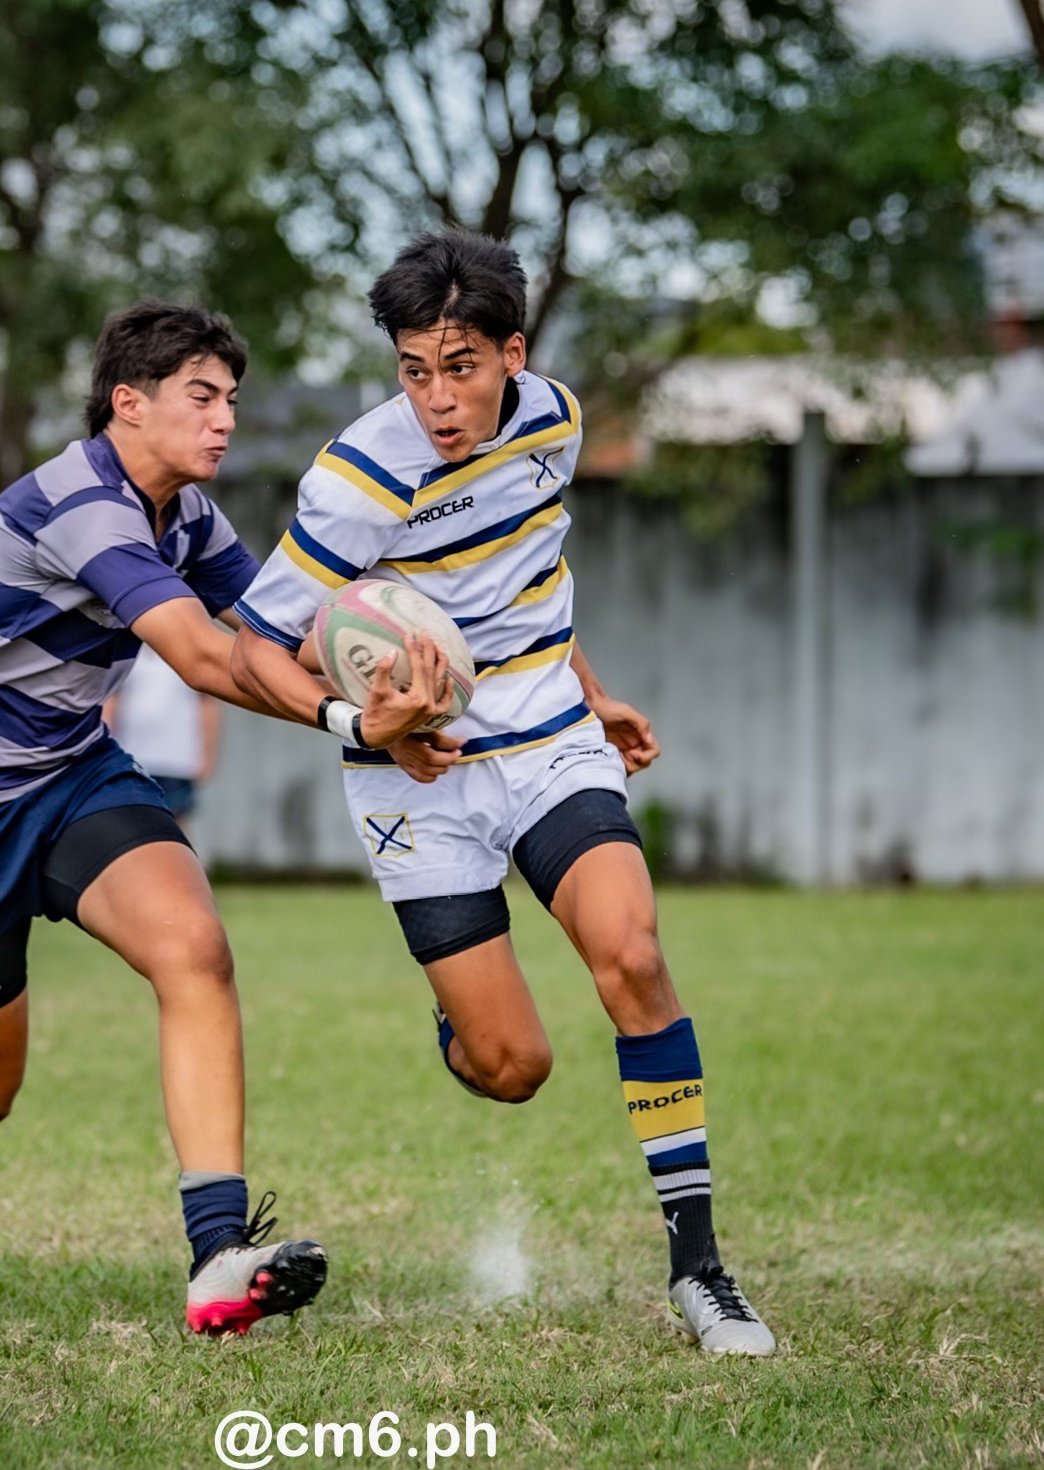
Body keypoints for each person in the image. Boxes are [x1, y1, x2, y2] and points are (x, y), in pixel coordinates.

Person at [0, 301, 453, 1336]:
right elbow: (201, 656)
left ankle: (217, 1256)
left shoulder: (185, 513)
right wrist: (353, 724)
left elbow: (277, 630)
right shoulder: (78, 505)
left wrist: (391, 673)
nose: (225, 419)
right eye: (202, 396)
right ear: (126, 401)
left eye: (231, 398)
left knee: (194, 948)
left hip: (69, 774)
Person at [230, 232, 776, 1355]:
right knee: (511, 1067)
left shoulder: (556, 423)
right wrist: (361, 722)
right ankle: (462, 1025)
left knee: (630, 953)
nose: (437, 396)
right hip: (412, 780)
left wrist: (591, 688)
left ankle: (701, 1270)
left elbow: (524, 577)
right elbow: (251, 645)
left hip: (546, 739)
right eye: (413, 369)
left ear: (512, 352)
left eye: (461, 364)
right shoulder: (354, 480)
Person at [105, 642, 220, 833]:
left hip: (177, 760)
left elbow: (208, 708)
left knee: (174, 823)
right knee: (131, 822)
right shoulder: (128, 654)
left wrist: (207, 757)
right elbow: (111, 704)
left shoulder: (189, 658)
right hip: (132, 756)